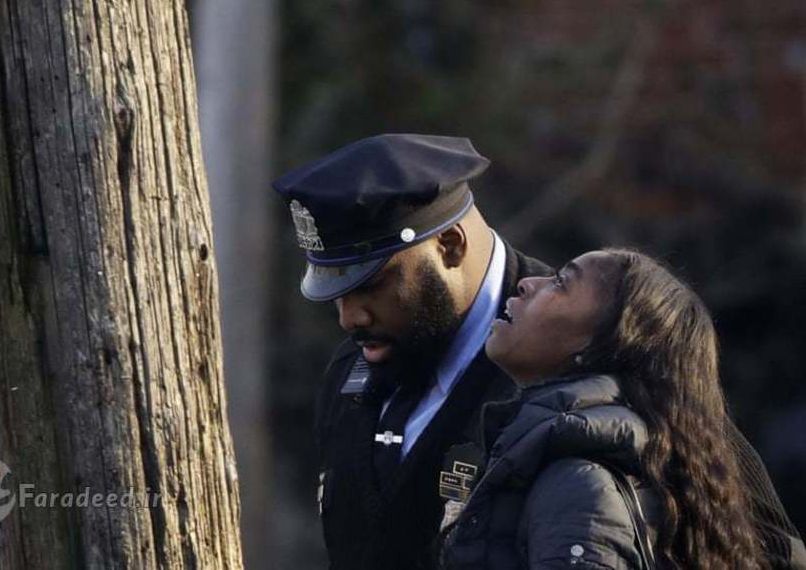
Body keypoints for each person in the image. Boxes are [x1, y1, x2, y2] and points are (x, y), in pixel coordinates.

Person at [272, 134, 803, 570]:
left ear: (451, 247)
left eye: (373, 286)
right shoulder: (355, 366)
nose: (350, 318)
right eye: (339, 293)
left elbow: (753, 541)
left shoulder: (594, 357)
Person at [441, 249, 806, 570]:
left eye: (560, 282)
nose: (528, 283)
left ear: (599, 344)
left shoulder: (579, 485)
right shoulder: (570, 460)